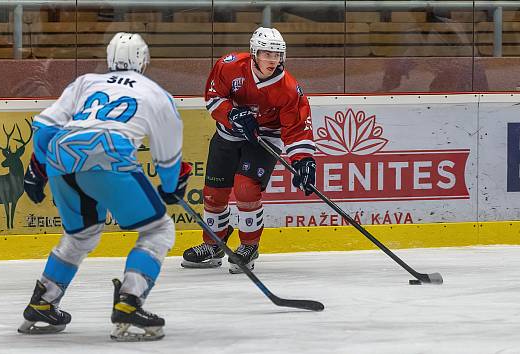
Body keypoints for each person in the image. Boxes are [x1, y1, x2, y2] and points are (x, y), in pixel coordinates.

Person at [17, 32, 191, 342]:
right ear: (144, 60)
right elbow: (168, 159)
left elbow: (43, 128)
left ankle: (42, 303)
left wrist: (38, 169)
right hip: (107, 155)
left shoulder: (86, 82)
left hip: (62, 155)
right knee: (158, 231)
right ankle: (129, 303)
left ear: (109, 58)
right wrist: (170, 187)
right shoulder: (155, 93)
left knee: (80, 235)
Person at [181, 27, 316, 274]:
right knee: (213, 193)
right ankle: (213, 245)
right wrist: (232, 114)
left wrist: (303, 158)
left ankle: (249, 247)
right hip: (227, 134)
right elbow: (213, 98)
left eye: (277, 55)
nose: (272, 60)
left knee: (246, 188)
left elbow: (296, 128)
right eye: (266, 54)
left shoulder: (287, 88)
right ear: (254, 53)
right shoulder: (229, 66)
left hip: (264, 138)